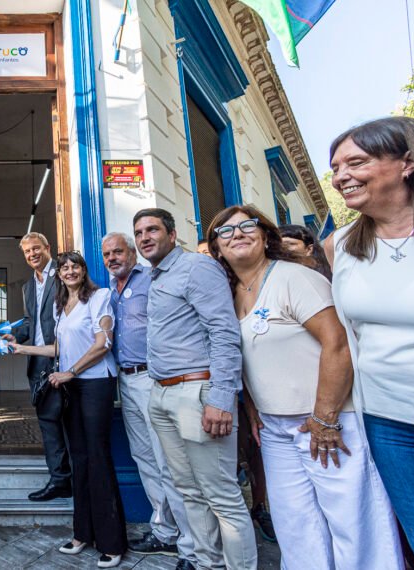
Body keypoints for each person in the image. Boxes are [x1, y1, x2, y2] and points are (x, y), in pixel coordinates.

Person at [209, 205, 403, 569]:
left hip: (327, 422)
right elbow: (244, 358)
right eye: (226, 231)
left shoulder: (293, 277)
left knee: (353, 524)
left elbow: (338, 344)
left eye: (247, 226)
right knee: (296, 525)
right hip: (276, 428)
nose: (237, 234)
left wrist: (325, 418)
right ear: (217, 248)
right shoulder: (228, 294)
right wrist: (252, 409)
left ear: (265, 236)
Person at [323, 117, 414, 565]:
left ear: (407, 162)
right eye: (335, 168)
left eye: (356, 162)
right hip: (388, 422)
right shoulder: (340, 245)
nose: (341, 176)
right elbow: (348, 337)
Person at [134, 208, 256, 570]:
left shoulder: (196, 268)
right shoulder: (157, 278)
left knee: (221, 496)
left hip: (198, 392)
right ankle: (207, 564)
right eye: (139, 232)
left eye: (152, 229)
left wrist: (221, 398)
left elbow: (223, 332)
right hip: (162, 393)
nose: (144, 237)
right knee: (188, 492)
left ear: (172, 234)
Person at [10, 251, 126, 569]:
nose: (70, 271)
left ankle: (112, 542)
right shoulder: (61, 306)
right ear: (59, 275)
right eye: (64, 268)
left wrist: (71, 372)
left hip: (94, 386)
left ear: (83, 270)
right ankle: (82, 534)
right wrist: (21, 348)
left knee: (98, 459)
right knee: (80, 459)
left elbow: (103, 343)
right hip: (70, 388)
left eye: (75, 266)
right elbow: (58, 348)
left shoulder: (99, 297)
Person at [101, 232, 195, 569]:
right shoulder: (108, 291)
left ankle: (190, 546)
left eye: (118, 251)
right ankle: (165, 531)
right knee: (144, 458)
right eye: (107, 254)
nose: (112, 258)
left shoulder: (152, 279)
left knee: (169, 462)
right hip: (125, 380)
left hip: (155, 379)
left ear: (132, 253)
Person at [9, 232, 71, 501]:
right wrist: (15, 336)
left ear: (48, 248)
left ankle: (77, 480)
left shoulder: (64, 274)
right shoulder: (27, 286)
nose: (32, 254)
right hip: (38, 365)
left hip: (66, 362)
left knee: (71, 425)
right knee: (48, 426)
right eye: (27, 252)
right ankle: (59, 481)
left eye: (36, 249)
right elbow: (28, 322)